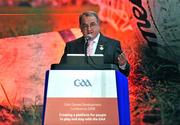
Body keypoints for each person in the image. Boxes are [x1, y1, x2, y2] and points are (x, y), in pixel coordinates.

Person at [60, 11, 130, 76]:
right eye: (85, 26)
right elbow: (60, 70)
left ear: (99, 26)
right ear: (80, 28)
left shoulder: (112, 45)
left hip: (104, 86)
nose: (89, 29)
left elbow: (124, 73)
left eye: (92, 25)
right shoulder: (71, 46)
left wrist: (122, 65)